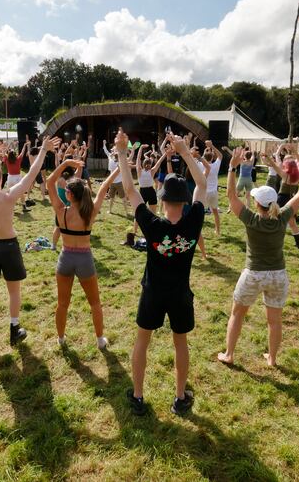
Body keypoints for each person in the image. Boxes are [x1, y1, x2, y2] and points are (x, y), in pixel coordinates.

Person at [117, 129, 207, 417]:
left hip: (153, 292)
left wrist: (121, 153)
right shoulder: (193, 221)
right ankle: (180, 398)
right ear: (185, 201)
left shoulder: (153, 225)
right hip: (180, 293)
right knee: (180, 342)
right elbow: (203, 184)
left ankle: (138, 397)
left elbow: (131, 191)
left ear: (163, 198)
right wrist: (184, 153)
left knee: (142, 341)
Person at [218, 147, 299, 367]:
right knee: (274, 322)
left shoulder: (252, 219)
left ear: (257, 203)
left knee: (237, 314)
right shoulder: (282, 217)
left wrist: (232, 167)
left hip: (253, 274)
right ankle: (272, 359)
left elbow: (231, 196)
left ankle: (229, 354)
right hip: (278, 275)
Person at [0, 136, 60, 347]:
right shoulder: (8, 196)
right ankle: (14, 329)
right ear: (1, 176)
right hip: (8, 246)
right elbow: (32, 174)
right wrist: (43, 149)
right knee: (14, 291)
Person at [46, 157, 118, 349]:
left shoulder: (61, 211)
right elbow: (104, 186)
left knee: (62, 304)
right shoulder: (90, 211)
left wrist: (66, 163)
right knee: (95, 303)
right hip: (84, 259)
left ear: (68, 194)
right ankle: (100, 339)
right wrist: (120, 168)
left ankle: (60, 339)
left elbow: (49, 182)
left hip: (66, 258)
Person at [263, 145, 299, 249]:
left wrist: (267, 157)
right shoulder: (298, 174)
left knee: (273, 219)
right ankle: (298, 245)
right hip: (293, 200)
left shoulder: (285, 175)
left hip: (282, 199)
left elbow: (274, 166)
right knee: (292, 223)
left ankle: (269, 240)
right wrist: (294, 150)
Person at [202, 141, 223, 236]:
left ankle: (199, 232)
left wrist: (205, 150)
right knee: (215, 212)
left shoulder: (201, 165)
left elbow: (200, 159)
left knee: (200, 213)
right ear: (212, 157)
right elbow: (220, 156)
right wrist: (212, 146)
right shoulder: (215, 165)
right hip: (214, 192)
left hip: (204, 193)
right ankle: (217, 231)